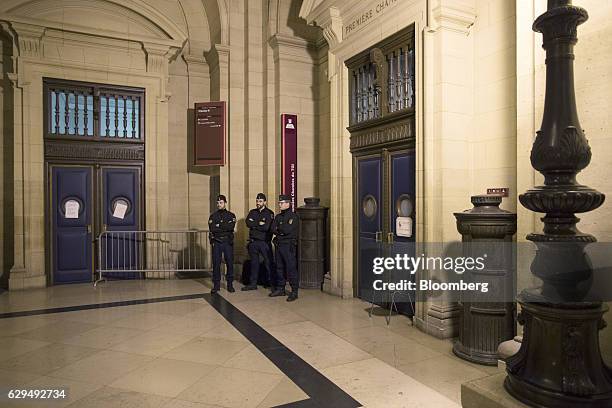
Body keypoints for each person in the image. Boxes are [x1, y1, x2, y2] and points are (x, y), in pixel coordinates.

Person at [269, 194, 300, 301]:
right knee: (279, 267)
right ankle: (280, 288)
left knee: (291, 268)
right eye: (279, 203)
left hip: (288, 246)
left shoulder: (293, 217)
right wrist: (281, 231)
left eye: (281, 203)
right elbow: (272, 229)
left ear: (288, 204)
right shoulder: (278, 217)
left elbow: (287, 230)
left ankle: (294, 291)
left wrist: (280, 230)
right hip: (279, 245)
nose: (279, 205)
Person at [242, 193, 275, 291]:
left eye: (260, 201)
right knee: (254, 263)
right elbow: (248, 223)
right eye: (257, 201)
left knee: (268, 263)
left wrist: (254, 224)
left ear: (265, 202)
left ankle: (272, 283)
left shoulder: (269, 213)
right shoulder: (252, 212)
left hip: (264, 242)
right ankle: (253, 284)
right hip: (253, 242)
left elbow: (266, 227)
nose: (258, 203)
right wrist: (258, 224)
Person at [208, 194, 236, 294]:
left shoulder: (231, 215)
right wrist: (223, 226)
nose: (219, 204)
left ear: (225, 203)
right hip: (217, 242)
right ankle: (216, 285)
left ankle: (230, 284)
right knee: (216, 264)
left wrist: (219, 225)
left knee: (229, 263)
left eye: (221, 203)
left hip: (227, 242)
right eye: (218, 203)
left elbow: (230, 227)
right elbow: (212, 228)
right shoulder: (213, 216)